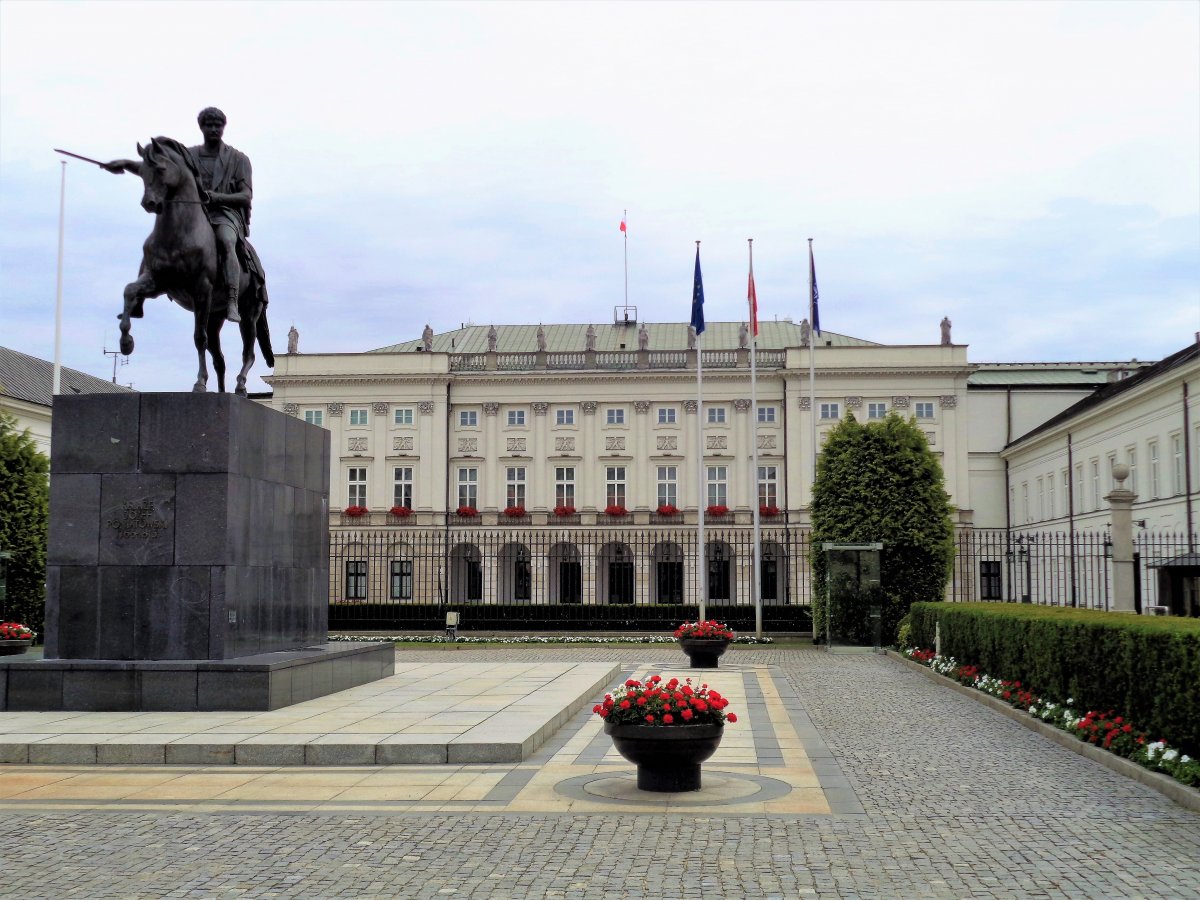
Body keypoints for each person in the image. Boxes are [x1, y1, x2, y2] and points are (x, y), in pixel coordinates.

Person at [104, 107, 262, 323]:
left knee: (226, 240)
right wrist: (123, 163)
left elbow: (245, 196)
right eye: (209, 125)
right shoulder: (189, 156)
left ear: (224, 127)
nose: (214, 129)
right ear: (201, 127)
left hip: (224, 214)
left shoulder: (238, 159)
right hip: (193, 215)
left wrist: (216, 197)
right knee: (154, 242)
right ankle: (140, 297)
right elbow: (155, 167)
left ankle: (232, 300)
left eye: (218, 125)